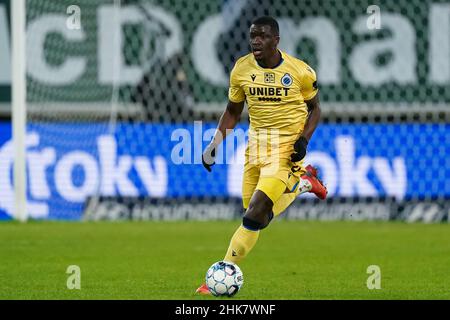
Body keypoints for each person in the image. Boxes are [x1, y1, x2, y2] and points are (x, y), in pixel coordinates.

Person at [196, 16, 327, 295]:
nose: (256, 40)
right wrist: (214, 144)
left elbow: (315, 109)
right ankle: (304, 183)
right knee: (258, 218)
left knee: (254, 214)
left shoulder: (300, 71)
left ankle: (218, 276)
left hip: (285, 151)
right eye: (253, 35)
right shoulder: (242, 69)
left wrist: (303, 140)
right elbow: (232, 111)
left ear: (276, 40)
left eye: (263, 36)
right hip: (255, 148)